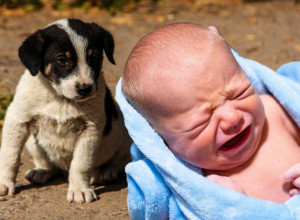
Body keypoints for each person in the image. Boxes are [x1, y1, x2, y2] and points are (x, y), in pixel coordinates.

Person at [122, 22, 300, 203]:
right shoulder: (192, 185)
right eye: (202, 121)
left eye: (238, 94)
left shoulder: (276, 113)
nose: (232, 118)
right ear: (161, 138)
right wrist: (231, 210)